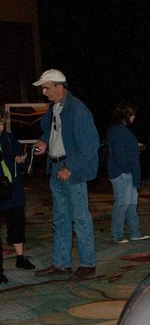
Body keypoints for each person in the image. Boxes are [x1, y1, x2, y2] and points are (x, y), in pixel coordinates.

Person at [32, 69, 99, 280]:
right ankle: (61, 263)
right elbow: (49, 131)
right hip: (55, 169)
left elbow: (90, 145)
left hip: (72, 172)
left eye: (47, 87)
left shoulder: (78, 110)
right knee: (60, 219)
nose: (43, 91)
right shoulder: (55, 108)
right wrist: (44, 142)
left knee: (80, 218)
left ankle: (88, 264)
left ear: (60, 88)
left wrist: (69, 167)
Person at [107, 101, 150, 243]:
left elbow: (122, 149)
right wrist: (126, 170)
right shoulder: (120, 130)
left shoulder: (118, 130)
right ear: (126, 115)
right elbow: (119, 154)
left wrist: (134, 147)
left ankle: (134, 233)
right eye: (132, 114)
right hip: (123, 174)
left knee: (131, 204)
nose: (134, 117)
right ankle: (117, 234)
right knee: (122, 204)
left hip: (126, 173)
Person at [0, 115, 35, 283]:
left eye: (1, 123)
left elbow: (20, 158)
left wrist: (20, 159)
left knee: (16, 224)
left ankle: (20, 258)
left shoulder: (8, 138)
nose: (0, 126)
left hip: (12, 190)